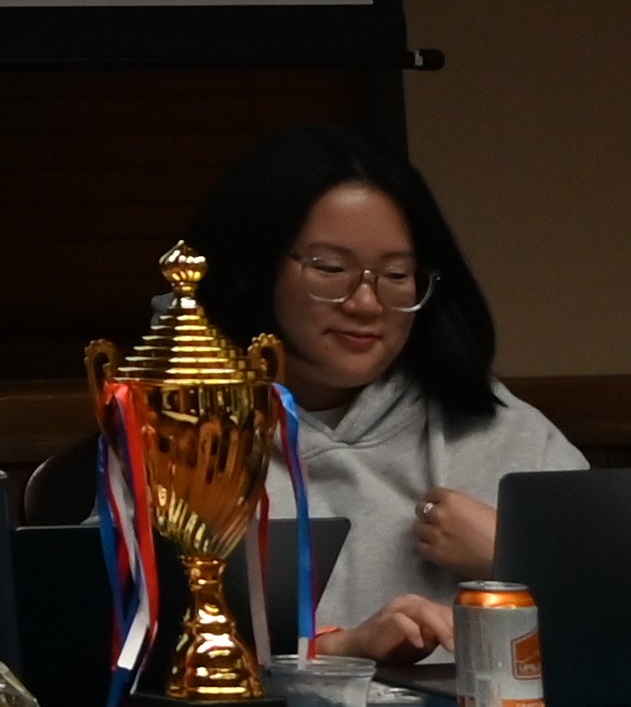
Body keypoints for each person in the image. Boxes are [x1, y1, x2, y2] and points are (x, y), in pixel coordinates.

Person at [186, 124, 585, 665]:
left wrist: (511, 555)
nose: (366, 303)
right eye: (331, 269)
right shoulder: (178, 434)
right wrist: (342, 650)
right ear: (254, 267)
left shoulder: (510, 435)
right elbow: (114, 644)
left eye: (397, 275)